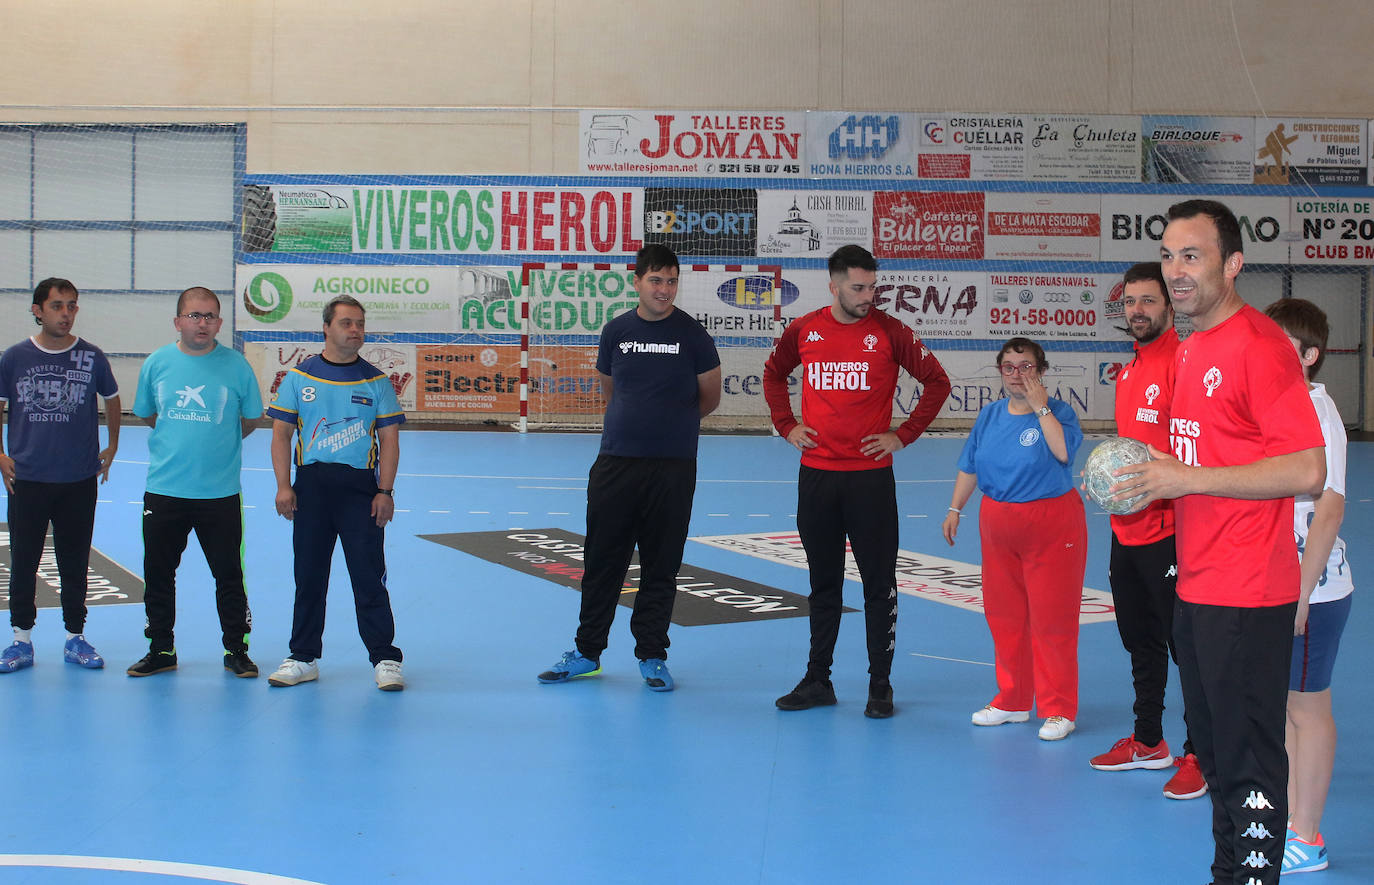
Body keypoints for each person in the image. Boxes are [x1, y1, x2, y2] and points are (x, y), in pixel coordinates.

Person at [1111, 200, 1325, 885]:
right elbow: (1202, 457)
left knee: (1250, 764)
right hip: (1196, 585)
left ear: (1233, 264)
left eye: (1192, 255)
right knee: (1218, 762)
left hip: (1248, 592)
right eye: (1169, 254)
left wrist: (1188, 475)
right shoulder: (1191, 343)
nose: (1176, 270)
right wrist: (1144, 481)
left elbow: (1308, 469)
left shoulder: (1258, 345)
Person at [763, 244, 950, 719]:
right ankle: (817, 680)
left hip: (869, 482)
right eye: (858, 287)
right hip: (818, 479)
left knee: (877, 585)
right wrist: (787, 424)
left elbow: (937, 382)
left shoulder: (890, 332)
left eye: (873, 286)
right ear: (834, 284)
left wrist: (902, 435)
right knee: (823, 584)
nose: (868, 296)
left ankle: (880, 686)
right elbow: (773, 373)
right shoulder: (805, 329)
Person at [537, 245, 721, 692]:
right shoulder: (616, 331)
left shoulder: (692, 335)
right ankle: (586, 653)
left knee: (661, 565)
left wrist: (669, 427)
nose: (664, 289)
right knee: (603, 562)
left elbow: (710, 397)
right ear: (636, 281)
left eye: (672, 280)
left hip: (673, 468)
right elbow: (611, 389)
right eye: (656, 280)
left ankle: (652, 655)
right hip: (616, 464)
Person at [1088, 262, 1205, 800]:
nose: (1137, 310)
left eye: (1147, 301)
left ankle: (1200, 753)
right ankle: (1148, 741)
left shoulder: (1183, 361)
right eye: (1129, 302)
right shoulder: (1130, 371)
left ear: (1169, 305)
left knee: (1188, 647)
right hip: (1126, 532)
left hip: (1172, 533)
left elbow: (1196, 446)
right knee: (1139, 642)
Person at [942, 337, 1085, 741]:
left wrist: (1041, 407)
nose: (1018, 375)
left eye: (1026, 367)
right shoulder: (989, 416)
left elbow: (1062, 453)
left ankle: (1058, 708)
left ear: (1041, 370)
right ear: (1000, 371)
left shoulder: (1060, 413)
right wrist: (956, 508)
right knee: (1005, 616)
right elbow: (971, 464)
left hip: (1051, 523)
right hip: (998, 523)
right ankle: (1014, 700)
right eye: (1009, 367)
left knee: (1051, 617)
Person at [266, 294, 407, 691]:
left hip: (360, 492)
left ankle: (385, 658)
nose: (355, 330)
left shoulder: (377, 382)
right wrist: (283, 485)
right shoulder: (299, 378)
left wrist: (385, 490)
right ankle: (303, 656)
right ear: (326, 328)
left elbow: (390, 442)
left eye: (360, 324)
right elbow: (281, 436)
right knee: (309, 576)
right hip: (310, 488)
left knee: (368, 576)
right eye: (346, 323)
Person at [125, 287, 263, 678]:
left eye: (210, 316)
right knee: (158, 574)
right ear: (178, 321)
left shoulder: (236, 366)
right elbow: (151, 415)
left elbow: (250, 420)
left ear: (220, 323)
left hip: (218, 494)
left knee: (229, 575)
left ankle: (237, 648)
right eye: (194, 315)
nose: (202, 323)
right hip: (164, 490)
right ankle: (161, 649)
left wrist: (219, 442)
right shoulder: (157, 363)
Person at [1263, 298, 1352, 876]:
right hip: (1277, 585)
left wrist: (1299, 594)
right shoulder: (1279, 406)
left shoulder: (1319, 411)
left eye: (1280, 344)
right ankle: (1293, 823)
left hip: (1313, 592)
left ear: (1309, 354)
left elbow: (1329, 510)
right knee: (1287, 709)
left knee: (1307, 707)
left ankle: (1309, 837)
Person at [0, 278, 120, 673]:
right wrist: (1, 455)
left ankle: (75, 636)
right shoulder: (15, 357)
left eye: (71, 306)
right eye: (56, 306)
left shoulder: (91, 356)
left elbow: (113, 397)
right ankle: (21, 639)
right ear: (37, 310)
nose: (65, 314)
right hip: (29, 478)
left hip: (78, 479)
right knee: (24, 560)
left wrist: (112, 444)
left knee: (73, 560)